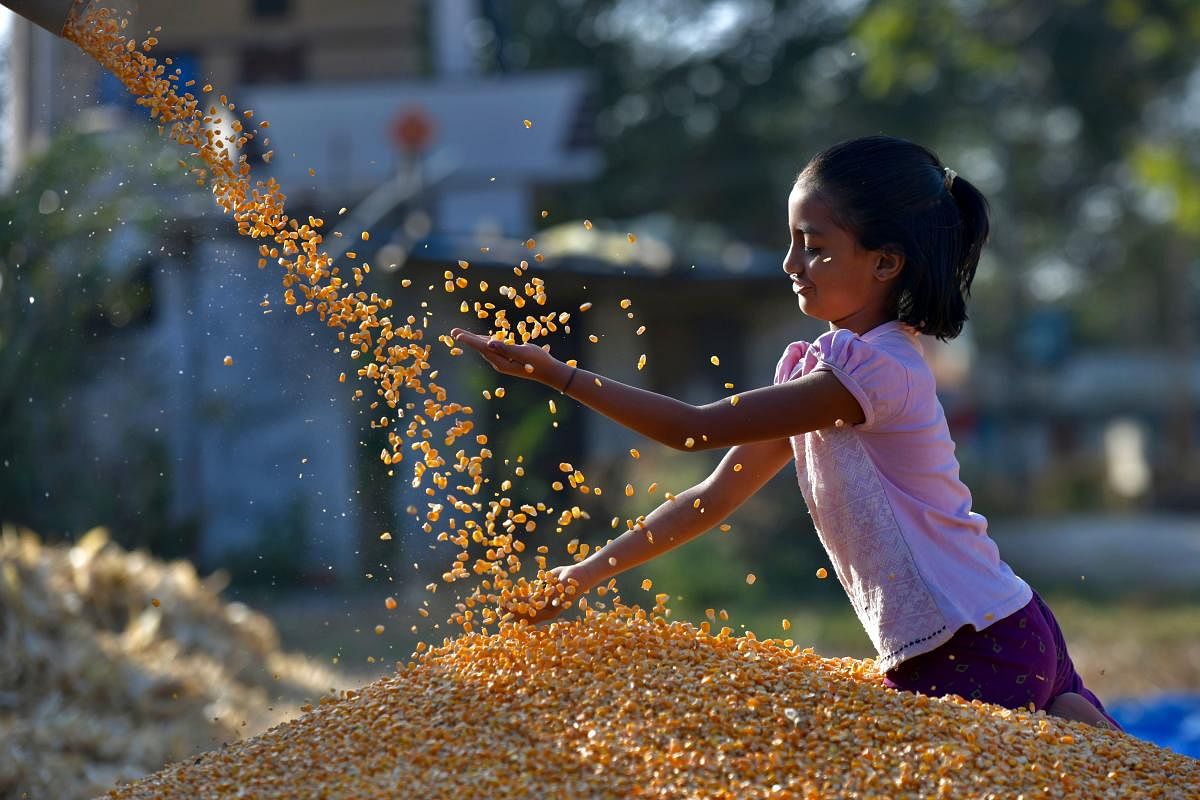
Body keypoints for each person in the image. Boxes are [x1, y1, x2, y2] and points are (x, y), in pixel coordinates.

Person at [451, 135, 1119, 731]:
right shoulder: (822, 374)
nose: (791, 263)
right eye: (793, 240)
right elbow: (711, 497)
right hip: (1003, 628)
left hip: (971, 644)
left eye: (817, 248)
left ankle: (1062, 716)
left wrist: (561, 377)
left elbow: (693, 430)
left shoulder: (876, 370)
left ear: (886, 264)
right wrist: (585, 574)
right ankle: (1066, 714)